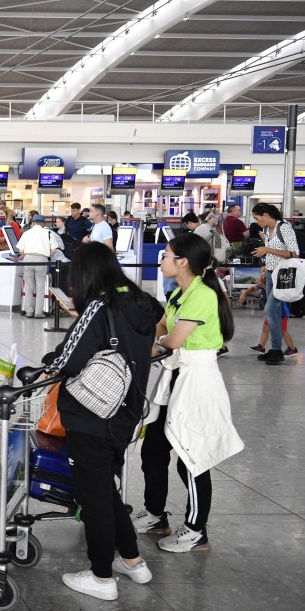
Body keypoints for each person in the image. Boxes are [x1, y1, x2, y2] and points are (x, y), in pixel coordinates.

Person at [41, 241, 163, 601]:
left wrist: (47, 362)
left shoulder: (99, 307)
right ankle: (133, 560)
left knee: (92, 495)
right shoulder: (142, 303)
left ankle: (101, 576)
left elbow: (66, 361)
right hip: (125, 414)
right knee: (104, 488)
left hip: (91, 415)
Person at [136, 233, 242, 554]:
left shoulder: (203, 295)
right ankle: (156, 515)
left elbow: (172, 340)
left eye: (167, 254)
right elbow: (161, 329)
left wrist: (150, 343)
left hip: (196, 380)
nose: (162, 258)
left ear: (182, 261)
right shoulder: (179, 293)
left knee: (190, 457)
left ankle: (197, 530)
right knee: (153, 448)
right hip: (174, 377)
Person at [250, 203, 300, 365]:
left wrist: (267, 250)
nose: (257, 222)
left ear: (265, 215)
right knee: (275, 313)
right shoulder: (266, 230)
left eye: (257, 218)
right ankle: (275, 349)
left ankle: (277, 350)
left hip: (282, 276)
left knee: (270, 310)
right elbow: (270, 253)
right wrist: (264, 269)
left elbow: (294, 253)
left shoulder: (284, 228)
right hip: (271, 274)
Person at [14, 214, 56, 319]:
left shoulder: (27, 233)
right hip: (41, 260)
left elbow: (20, 250)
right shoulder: (49, 233)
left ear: (33, 223)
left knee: (28, 286)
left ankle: (29, 311)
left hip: (28, 259)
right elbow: (54, 249)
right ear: (43, 224)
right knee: (40, 287)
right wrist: (47, 255)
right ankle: (38, 312)